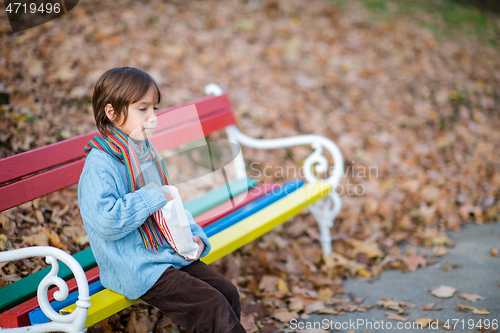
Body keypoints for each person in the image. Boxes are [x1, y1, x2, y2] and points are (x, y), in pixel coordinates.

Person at [78, 67, 246, 333]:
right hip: (136, 266)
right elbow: (107, 221)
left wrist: (194, 235)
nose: (153, 118)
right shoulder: (100, 163)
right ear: (111, 112)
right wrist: (151, 197)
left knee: (227, 291)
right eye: (142, 109)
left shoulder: (144, 152)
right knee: (210, 305)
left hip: (165, 253)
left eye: (154, 109)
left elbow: (170, 203)